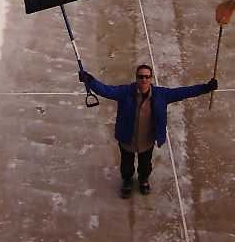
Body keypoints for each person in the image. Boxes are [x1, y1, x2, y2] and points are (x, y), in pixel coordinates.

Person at [80, 65, 217, 198]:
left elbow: (184, 92)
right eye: (140, 77)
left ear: (151, 78)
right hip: (127, 138)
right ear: (136, 78)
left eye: (147, 77)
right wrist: (89, 80)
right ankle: (127, 181)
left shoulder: (161, 95)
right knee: (126, 164)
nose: (144, 80)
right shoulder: (125, 92)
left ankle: (143, 180)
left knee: (145, 165)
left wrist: (206, 88)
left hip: (147, 141)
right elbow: (105, 90)